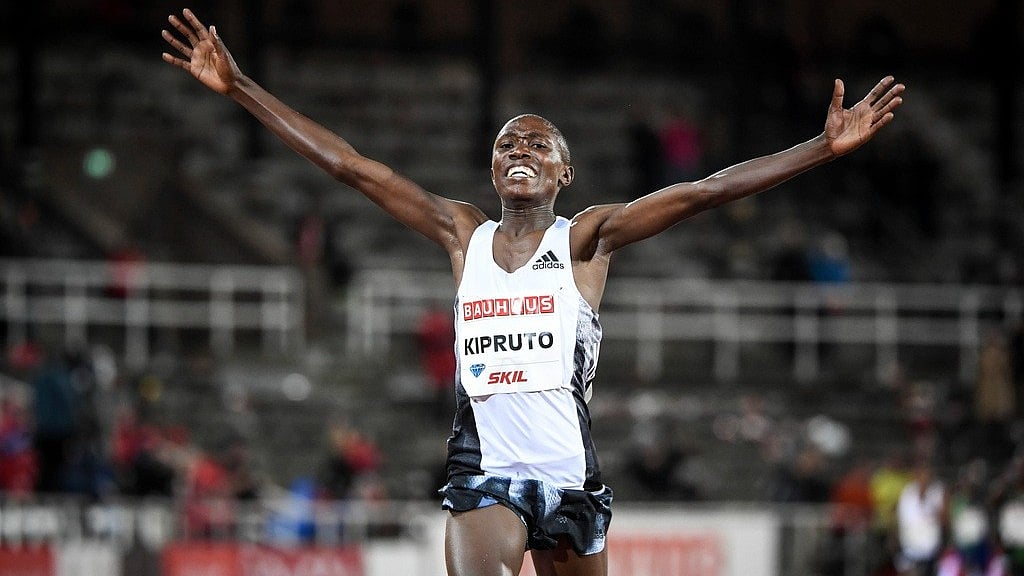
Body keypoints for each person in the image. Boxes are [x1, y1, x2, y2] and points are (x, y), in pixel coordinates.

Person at [161, 9, 905, 575]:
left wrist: (819, 148)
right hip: (485, 472)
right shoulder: (463, 235)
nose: (520, 152)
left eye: (537, 144)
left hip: (572, 479)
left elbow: (705, 192)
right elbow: (354, 169)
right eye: (506, 145)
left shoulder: (586, 240)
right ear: (492, 172)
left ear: (563, 174)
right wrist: (241, 88)